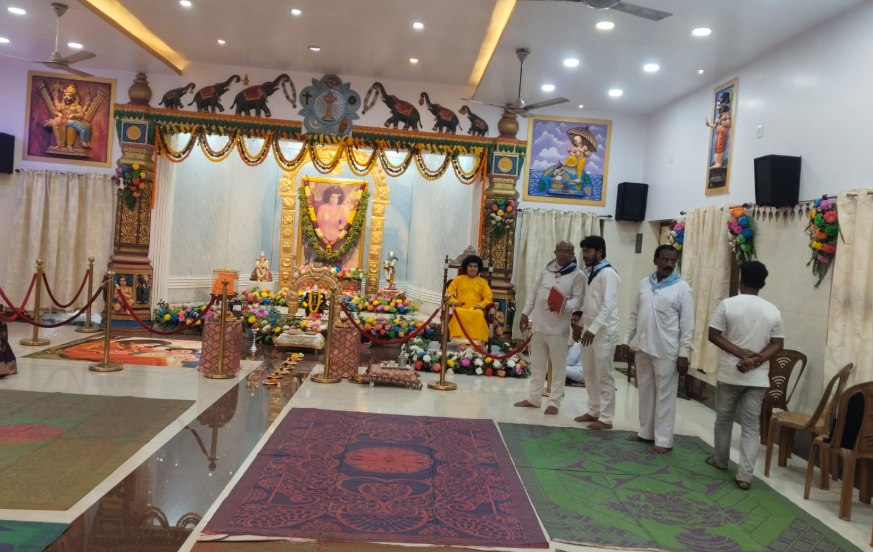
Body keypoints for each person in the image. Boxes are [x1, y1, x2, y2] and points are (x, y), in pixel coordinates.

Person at [706, 261, 784, 490]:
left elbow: (713, 335)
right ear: (763, 283)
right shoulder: (772, 310)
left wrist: (742, 356)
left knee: (724, 419)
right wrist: (756, 361)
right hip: (757, 378)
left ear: (741, 280)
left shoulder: (728, 305)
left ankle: (720, 460)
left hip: (730, 374)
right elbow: (777, 344)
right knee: (751, 427)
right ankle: (745, 476)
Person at [620, 245, 694, 453]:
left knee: (665, 396)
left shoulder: (682, 288)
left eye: (673, 260)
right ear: (655, 260)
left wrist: (684, 354)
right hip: (644, 347)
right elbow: (634, 314)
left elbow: (688, 326)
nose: (669, 264)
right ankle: (646, 432)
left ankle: (663, 440)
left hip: (667, 351)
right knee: (645, 392)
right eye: (665, 259)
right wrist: (626, 339)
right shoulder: (645, 284)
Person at [515, 241, 584, 415]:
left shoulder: (578, 275)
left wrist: (563, 305)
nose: (564, 254)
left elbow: (579, 300)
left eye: (568, 251)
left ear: (573, 254)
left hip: (558, 329)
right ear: (555, 251)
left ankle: (554, 402)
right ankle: (534, 398)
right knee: (537, 365)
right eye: (561, 250)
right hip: (539, 325)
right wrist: (525, 313)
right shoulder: (546, 270)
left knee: (558, 367)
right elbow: (534, 292)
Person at [574, 236, 620, 430]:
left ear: (600, 252)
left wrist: (592, 329)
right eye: (583, 251)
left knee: (604, 376)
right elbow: (589, 304)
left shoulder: (608, 273)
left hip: (604, 332)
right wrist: (580, 325)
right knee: (589, 372)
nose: (585, 255)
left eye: (589, 251)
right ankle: (594, 410)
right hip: (589, 330)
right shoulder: (591, 272)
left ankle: (606, 418)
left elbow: (608, 306)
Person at [447, 255, 493, 349]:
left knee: (479, 314)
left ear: (478, 268)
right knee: (458, 312)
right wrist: (455, 302)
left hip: (475, 308)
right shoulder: (459, 279)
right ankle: (461, 343)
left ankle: (475, 344)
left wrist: (480, 305)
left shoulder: (482, 282)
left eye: (475, 266)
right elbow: (448, 294)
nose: (473, 268)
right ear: (466, 267)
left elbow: (488, 297)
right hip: (461, 307)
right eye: (470, 266)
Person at [705, 91, 732, 169]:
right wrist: (708, 124)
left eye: (719, 105)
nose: (717, 108)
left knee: (720, 147)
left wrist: (720, 121)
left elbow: (728, 123)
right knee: (716, 148)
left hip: (723, 132)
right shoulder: (720, 115)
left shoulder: (727, 113)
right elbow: (715, 126)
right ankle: (717, 163)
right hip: (718, 132)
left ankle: (719, 163)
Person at [566, 311, 585, 387]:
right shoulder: (580, 336)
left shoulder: (581, 338)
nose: (572, 322)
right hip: (577, 368)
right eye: (571, 320)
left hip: (582, 372)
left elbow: (569, 360)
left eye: (576, 320)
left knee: (557, 367)